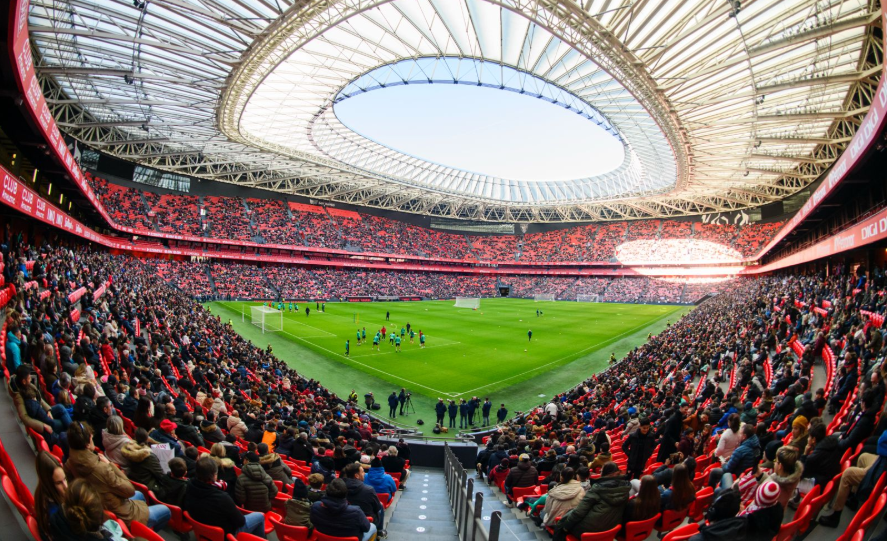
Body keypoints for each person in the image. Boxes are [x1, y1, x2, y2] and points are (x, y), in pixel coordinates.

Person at [184, 456, 265, 538]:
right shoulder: (222, 498)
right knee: (259, 516)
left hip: (204, 528)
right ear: (214, 475)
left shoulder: (189, 485)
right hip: (226, 535)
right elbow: (241, 521)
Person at [554, 462, 631, 541]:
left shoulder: (597, 489)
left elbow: (579, 512)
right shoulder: (625, 488)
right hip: (612, 529)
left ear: (604, 473)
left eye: (601, 471)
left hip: (591, 530)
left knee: (562, 526)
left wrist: (566, 527)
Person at [310, 478, 376, 541]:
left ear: (326, 491)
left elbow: (313, 521)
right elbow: (366, 528)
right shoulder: (356, 511)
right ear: (345, 494)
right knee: (373, 526)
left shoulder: (315, 506)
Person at [341, 463, 385, 537]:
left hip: (344, 520)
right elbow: (377, 508)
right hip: (365, 522)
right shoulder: (369, 490)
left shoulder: (340, 487)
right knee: (380, 506)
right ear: (356, 475)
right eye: (362, 471)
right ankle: (379, 531)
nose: (364, 473)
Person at [34, 450, 67, 540]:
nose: (66, 486)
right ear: (49, 483)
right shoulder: (54, 513)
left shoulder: (40, 491)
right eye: (59, 483)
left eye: (65, 479)